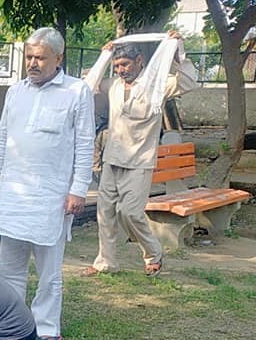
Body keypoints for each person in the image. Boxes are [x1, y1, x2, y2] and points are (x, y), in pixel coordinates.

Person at [0, 27, 95, 340]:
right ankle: (11, 323)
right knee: (10, 267)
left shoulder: (77, 91)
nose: (32, 63)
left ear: (58, 59)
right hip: (14, 193)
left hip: (52, 195)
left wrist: (78, 189)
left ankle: (46, 327)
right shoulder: (16, 92)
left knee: (48, 271)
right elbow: (3, 136)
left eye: (40, 58)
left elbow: (85, 143)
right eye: (28, 57)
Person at [83, 31, 197, 277]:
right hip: (112, 158)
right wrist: (105, 55)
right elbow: (88, 86)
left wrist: (178, 52)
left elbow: (188, 81)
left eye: (125, 64)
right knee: (105, 213)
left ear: (140, 62)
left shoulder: (157, 86)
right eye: (117, 66)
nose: (121, 70)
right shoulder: (113, 86)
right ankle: (107, 262)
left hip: (140, 161)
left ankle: (153, 252)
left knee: (130, 212)